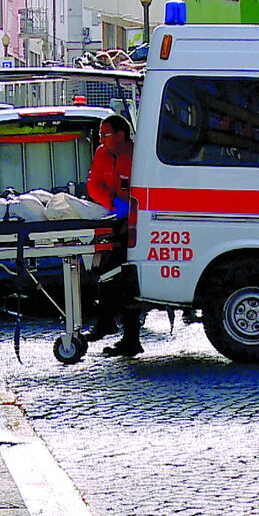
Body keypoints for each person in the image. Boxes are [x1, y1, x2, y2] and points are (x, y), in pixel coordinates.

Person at [84, 114, 144, 357]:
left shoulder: (138, 155)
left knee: (126, 282)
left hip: (134, 227)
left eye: (105, 134)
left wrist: (128, 214)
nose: (101, 139)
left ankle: (128, 337)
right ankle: (109, 324)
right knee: (108, 275)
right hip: (114, 221)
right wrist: (112, 203)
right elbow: (93, 185)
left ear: (121, 135)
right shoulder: (102, 153)